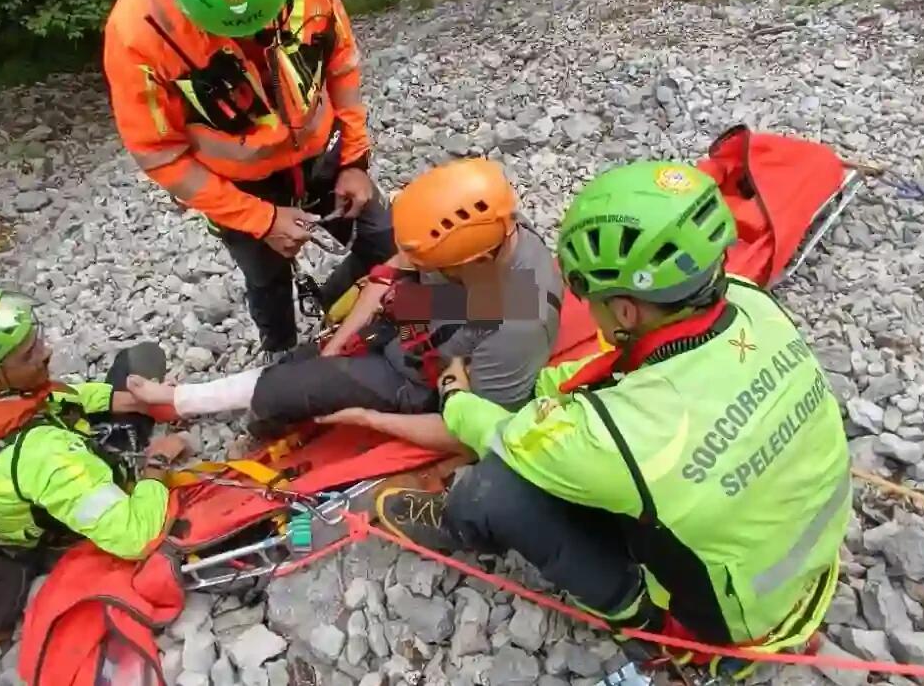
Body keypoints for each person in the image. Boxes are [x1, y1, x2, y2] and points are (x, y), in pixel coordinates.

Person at [356, 161, 853, 678]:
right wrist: (551, 384)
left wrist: (456, 398)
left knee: (496, 490)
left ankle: (639, 617)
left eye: (590, 299)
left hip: (742, 619)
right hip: (806, 551)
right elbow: (618, 367)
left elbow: (509, 435)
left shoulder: (616, 438)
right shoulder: (748, 303)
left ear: (627, 310)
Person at [107, 0, 395, 357]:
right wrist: (259, 219)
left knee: (384, 238)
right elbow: (161, 157)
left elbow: (339, 56)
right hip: (239, 185)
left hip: (323, 150)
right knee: (265, 279)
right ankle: (282, 350)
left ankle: (351, 305)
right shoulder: (137, 31)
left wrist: (355, 160)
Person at [126, 158, 564, 438]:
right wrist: (338, 344)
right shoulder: (486, 230)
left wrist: (370, 421)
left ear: (476, 260)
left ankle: (184, 402)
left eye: (437, 265)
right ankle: (199, 394)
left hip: (422, 381)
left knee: (287, 390)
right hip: (443, 317)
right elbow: (389, 274)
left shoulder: (519, 328)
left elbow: (477, 433)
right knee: (307, 357)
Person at [0, 287, 185, 562]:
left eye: (36, 340)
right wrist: (157, 464)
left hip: (15, 482)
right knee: (142, 362)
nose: (46, 352)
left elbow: (51, 396)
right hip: (47, 538)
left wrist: (136, 402)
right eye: (29, 354)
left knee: (140, 361)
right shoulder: (46, 455)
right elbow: (136, 537)